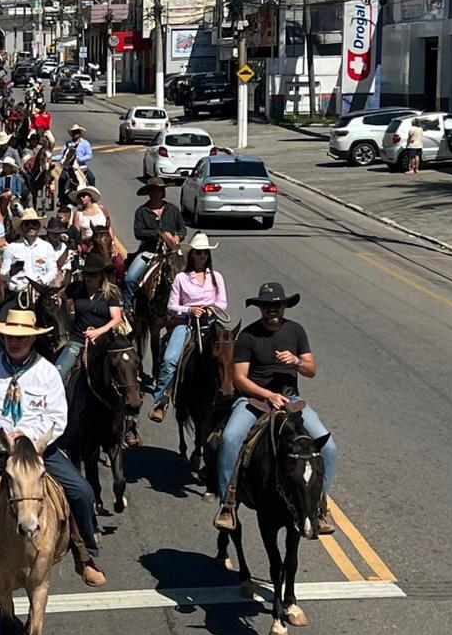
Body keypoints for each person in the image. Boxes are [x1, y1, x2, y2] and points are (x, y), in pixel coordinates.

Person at [0, 310, 105, 593]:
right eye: (10, 337)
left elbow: (57, 417)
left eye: (22, 338)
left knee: (82, 492)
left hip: (39, 452)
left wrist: (29, 439)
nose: (15, 342)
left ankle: (84, 554)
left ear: (32, 340)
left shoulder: (47, 373)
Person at [214, 283, 337, 535]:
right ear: (260, 308)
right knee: (230, 438)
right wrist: (268, 394)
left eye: (277, 305)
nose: (272, 310)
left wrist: (296, 361)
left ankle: (319, 507)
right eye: (267, 306)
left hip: (291, 400)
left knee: (329, 448)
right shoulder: (248, 336)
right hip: (254, 400)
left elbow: (311, 370)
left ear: (284, 306)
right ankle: (228, 503)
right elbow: (239, 378)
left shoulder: (295, 331)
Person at [150, 233, 229, 419]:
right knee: (170, 359)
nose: (202, 256)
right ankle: (161, 400)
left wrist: (211, 309)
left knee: (229, 353)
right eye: (199, 252)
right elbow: (172, 306)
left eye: (205, 252)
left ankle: (231, 393)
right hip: (187, 323)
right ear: (192, 254)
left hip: (211, 323)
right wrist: (190, 310)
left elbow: (223, 302)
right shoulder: (181, 278)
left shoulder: (216, 277)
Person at [55, 254, 124, 381]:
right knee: (57, 375)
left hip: (104, 341)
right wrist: (65, 321)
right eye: (86, 274)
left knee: (124, 371)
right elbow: (61, 296)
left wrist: (98, 332)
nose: (88, 278)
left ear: (101, 276)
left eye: (93, 275)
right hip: (78, 340)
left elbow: (117, 319)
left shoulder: (110, 293)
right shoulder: (76, 288)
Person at [125, 177, 186, 311]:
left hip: (171, 252)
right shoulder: (142, 211)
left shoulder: (173, 209)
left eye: (161, 190)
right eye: (155, 190)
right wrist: (159, 234)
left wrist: (178, 236)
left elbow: (182, 228)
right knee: (130, 279)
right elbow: (138, 232)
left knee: (189, 274)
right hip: (149, 252)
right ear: (149, 193)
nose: (159, 193)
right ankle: (128, 307)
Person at [0, 210, 58, 299]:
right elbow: (2, 274)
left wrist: (41, 281)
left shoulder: (47, 247)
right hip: (18, 295)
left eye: (34, 223)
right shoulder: (12, 248)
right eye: (27, 224)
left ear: (38, 226)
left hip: (40, 295)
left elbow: (52, 271)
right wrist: (11, 273)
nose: (31, 226)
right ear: (22, 227)